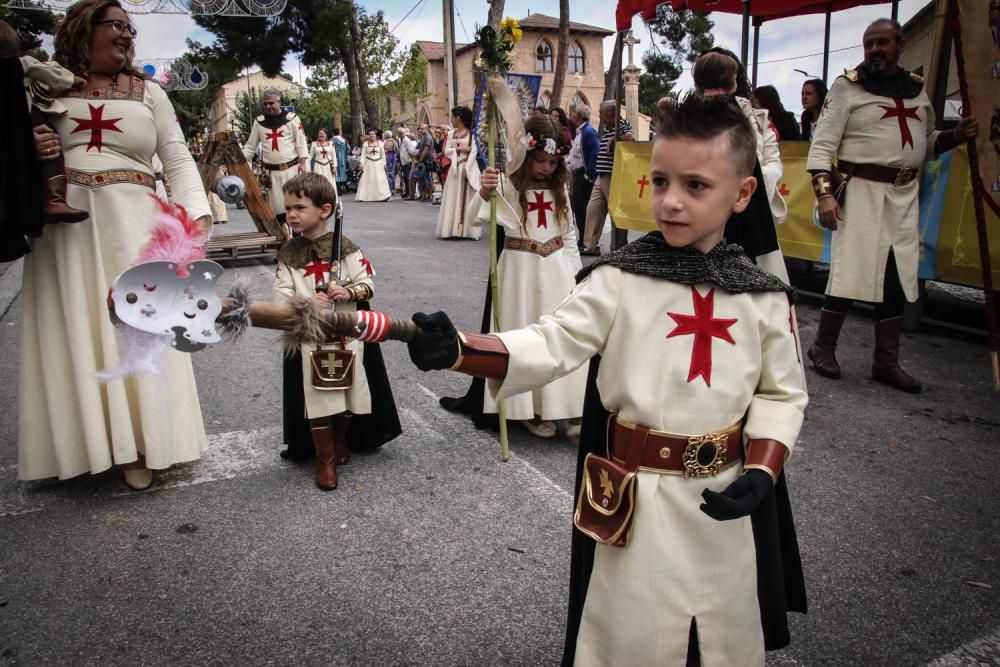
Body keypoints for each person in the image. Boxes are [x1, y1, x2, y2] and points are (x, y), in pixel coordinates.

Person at [407, 93, 807, 665]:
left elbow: (782, 393)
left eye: (696, 186)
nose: (670, 201)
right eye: (661, 180)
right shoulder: (619, 278)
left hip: (722, 498)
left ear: (742, 194)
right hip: (636, 502)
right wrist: (463, 351)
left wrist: (765, 468)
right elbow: (551, 341)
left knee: (721, 641)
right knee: (632, 641)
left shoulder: (762, 297)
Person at [19, 0, 212, 489]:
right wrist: (29, 147)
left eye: (131, 28)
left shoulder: (148, 92)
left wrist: (194, 221)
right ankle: (83, 445)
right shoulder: (43, 85)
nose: (128, 35)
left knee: (138, 327)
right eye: (117, 26)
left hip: (137, 226)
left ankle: (141, 445)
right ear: (86, 28)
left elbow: (176, 155)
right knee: (76, 325)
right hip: (68, 231)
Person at [806, 18, 979, 392]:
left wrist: (956, 136)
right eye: (869, 44)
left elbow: (927, 141)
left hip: (903, 195)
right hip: (861, 192)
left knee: (897, 275)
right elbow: (821, 147)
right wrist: (825, 194)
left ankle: (886, 362)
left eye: (882, 43)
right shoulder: (847, 88)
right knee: (850, 271)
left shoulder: (916, 91)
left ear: (900, 44)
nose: (874, 51)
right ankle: (822, 347)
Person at [275, 172, 398, 489]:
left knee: (349, 394)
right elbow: (281, 294)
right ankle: (325, 460)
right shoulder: (289, 255)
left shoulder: (346, 249)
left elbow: (367, 283)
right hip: (311, 341)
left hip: (347, 335)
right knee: (317, 398)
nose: (291, 214)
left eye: (299, 207)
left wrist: (348, 293)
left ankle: (342, 441)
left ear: (325, 210)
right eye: (288, 208)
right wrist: (306, 302)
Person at [472, 115, 586, 438]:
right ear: (526, 153)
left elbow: (569, 235)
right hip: (519, 270)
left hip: (555, 269)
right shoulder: (507, 182)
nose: (546, 168)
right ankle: (531, 409)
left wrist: (578, 277)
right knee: (523, 336)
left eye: (553, 162)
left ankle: (570, 405)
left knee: (559, 337)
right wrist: (484, 192)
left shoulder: (560, 186)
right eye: (540, 160)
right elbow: (473, 220)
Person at [241, 89, 307, 225]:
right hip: (271, 174)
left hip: (291, 170)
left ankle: (297, 238)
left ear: (279, 102)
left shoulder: (291, 119)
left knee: (294, 206)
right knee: (277, 210)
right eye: (265, 104)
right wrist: (236, 158)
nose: (268, 106)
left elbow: (301, 143)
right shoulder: (259, 122)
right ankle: (283, 240)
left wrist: (303, 162)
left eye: (271, 103)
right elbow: (250, 148)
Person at [582, 100, 634, 255]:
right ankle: (590, 246)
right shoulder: (608, 128)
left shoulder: (621, 124)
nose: (599, 114)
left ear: (611, 112)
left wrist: (614, 138)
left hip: (613, 175)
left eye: (601, 112)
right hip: (602, 175)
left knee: (616, 213)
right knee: (593, 209)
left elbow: (630, 137)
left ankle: (618, 247)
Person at [435, 106, 479, 240]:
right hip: (455, 168)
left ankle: (468, 231)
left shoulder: (472, 134)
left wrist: (468, 168)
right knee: (453, 197)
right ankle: (451, 228)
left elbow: (474, 151)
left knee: (466, 198)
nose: (451, 120)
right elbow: (446, 150)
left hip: (467, 167)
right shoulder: (450, 134)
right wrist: (459, 148)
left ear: (458, 118)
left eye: (452, 117)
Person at [566, 104, 599, 251]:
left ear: (579, 116)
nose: (572, 116)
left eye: (574, 114)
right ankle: (581, 240)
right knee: (577, 208)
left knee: (581, 208)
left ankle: (584, 241)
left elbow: (595, 152)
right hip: (576, 174)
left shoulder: (589, 132)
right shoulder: (580, 132)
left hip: (582, 175)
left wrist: (588, 174)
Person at [355, 129, 392, 202]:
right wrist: (362, 163)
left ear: (376, 135)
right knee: (368, 180)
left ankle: (383, 196)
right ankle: (365, 196)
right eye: (370, 134)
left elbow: (383, 155)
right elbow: (363, 155)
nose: (371, 135)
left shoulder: (381, 144)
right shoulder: (365, 144)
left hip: (378, 164)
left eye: (373, 134)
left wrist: (384, 163)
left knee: (380, 180)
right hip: (369, 163)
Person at [412, 123, 435, 202]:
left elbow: (426, 150)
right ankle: (424, 196)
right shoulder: (423, 138)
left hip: (427, 161)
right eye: (420, 129)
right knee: (423, 179)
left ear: (427, 129)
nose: (421, 130)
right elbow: (420, 150)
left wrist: (420, 160)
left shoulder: (428, 137)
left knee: (428, 179)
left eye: (423, 129)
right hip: (423, 161)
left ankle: (430, 196)